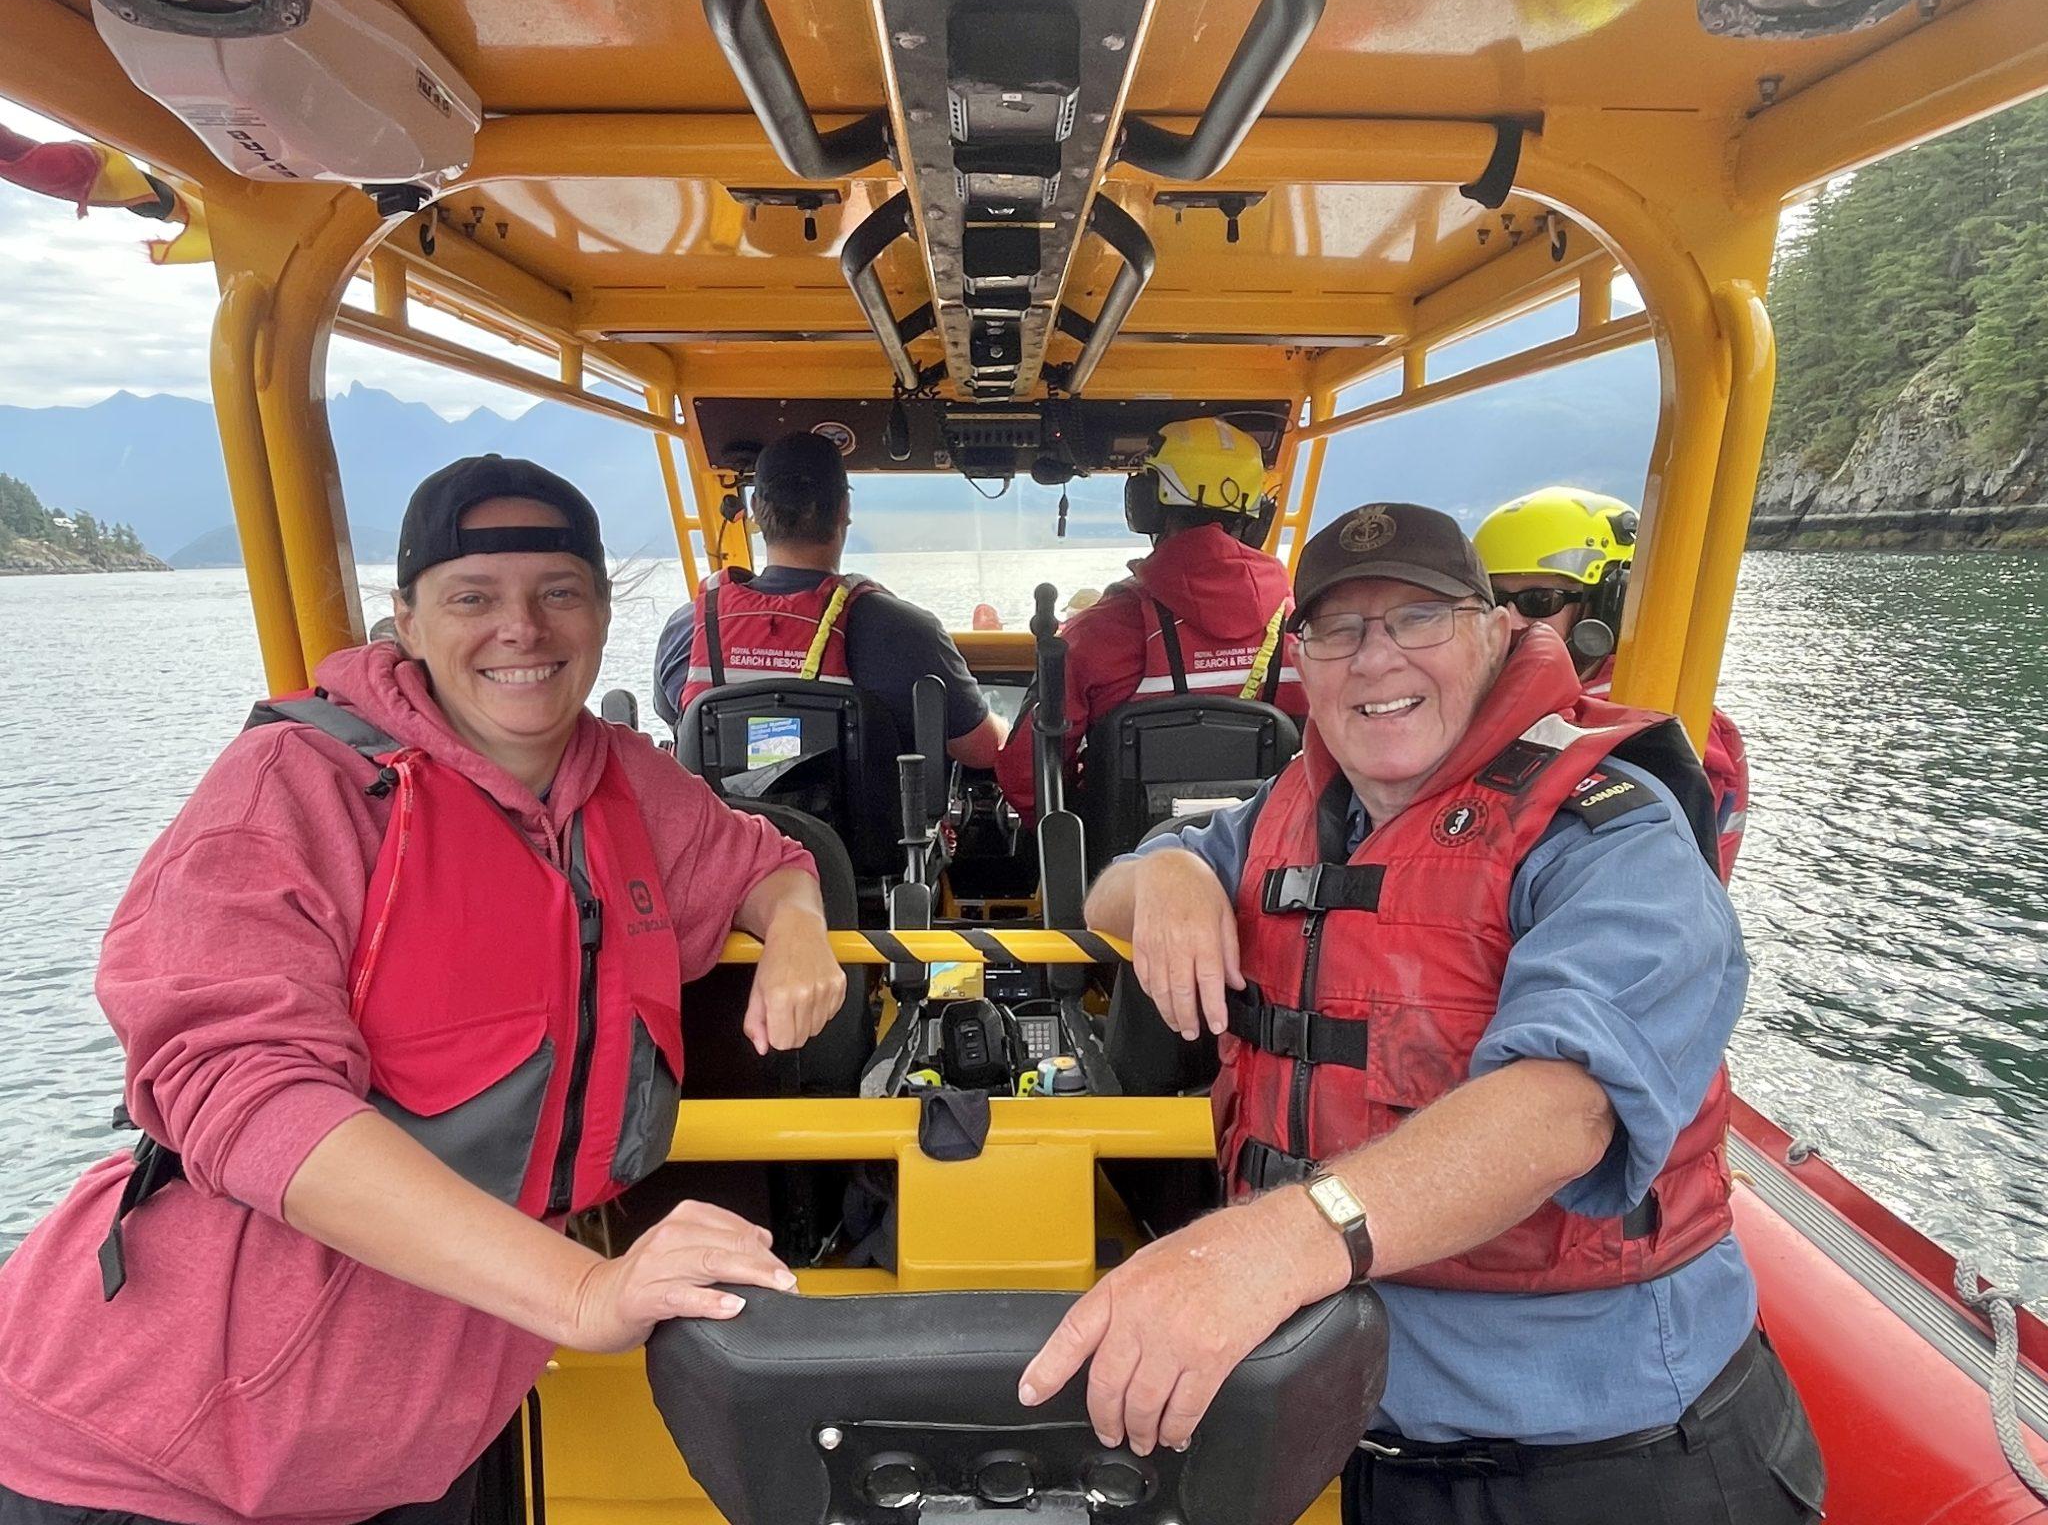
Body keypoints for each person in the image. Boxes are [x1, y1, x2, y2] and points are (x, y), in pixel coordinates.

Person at [0, 455, 848, 1523]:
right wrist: (584, 1290)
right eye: (472, 598)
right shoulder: (292, 786)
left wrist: (798, 930)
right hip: (160, 1454)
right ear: (405, 619)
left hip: (416, 1447)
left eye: (557, 593)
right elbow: (245, 1092)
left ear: (601, 611)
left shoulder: (622, 781)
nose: (521, 630)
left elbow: (762, 857)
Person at [1017, 503, 1823, 1525]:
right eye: (1338, 629)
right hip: (1364, 1437)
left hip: (1606, 1464)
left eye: (1417, 618)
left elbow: (1561, 1109)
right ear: (1302, 659)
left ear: (1494, 633)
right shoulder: (1298, 806)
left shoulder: (1612, 836)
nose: (1375, 657)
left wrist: (1267, 1248)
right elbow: (1107, 895)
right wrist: (1167, 873)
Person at [993, 418, 1306, 822]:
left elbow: (1027, 777)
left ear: (1146, 505)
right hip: (1274, 854)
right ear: (1259, 515)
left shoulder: (1097, 632)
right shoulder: (1308, 627)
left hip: (1129, 859)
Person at [653, 431, 1007, 767]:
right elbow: (985, 750)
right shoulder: (905, 631)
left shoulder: (685, 629)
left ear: (756, 510)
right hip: (856, 817)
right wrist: (1004, 723)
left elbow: (680, 725)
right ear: (843, 508)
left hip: (717, 816)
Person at [1474, 486, 1750, 879]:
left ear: (1610, 605)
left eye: (1539, 601)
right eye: (1493, 602)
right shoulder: (1484, 705)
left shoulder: (1663, 735)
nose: (1510, 621)